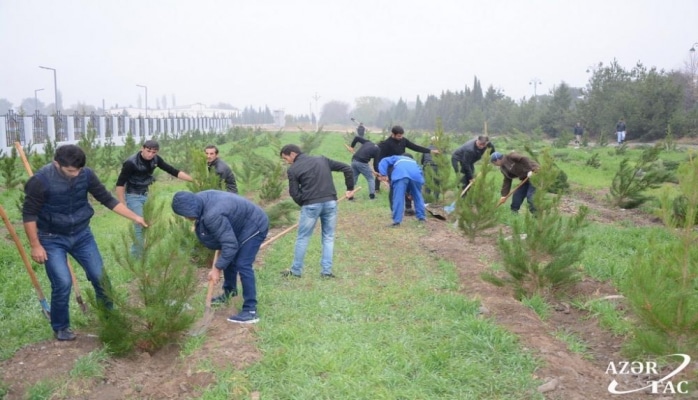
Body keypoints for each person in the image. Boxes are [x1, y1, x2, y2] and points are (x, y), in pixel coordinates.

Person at [22, 145, 148, 341]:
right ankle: (61, 327)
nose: (76, 174)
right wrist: (35, 245)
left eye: (79, 169)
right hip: (51, 237)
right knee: (62, 282)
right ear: (57, 164)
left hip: (82, 234)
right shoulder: (40, 181)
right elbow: (29, 215)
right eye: (72, 171)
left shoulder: (86, 175)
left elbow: (107, 199)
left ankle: (109, 317)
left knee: (100, 276)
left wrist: (135, 217)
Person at [171, 190, 268, 324]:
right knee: (228, 258)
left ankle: (250, 311)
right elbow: (226, 243)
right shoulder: (199, 201)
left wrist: (216, 269)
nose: (186, 218)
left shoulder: (212, 215)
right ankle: (229, 292)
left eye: (186, 215)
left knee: (243, 264)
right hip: (239, 223)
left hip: (254, 225)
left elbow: (230, 245)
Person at [279, 144, 355, 278]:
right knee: (328, 237)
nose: (287, 162)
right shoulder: (322, 159)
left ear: (292, 154)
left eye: (286, 159)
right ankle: (326, 272)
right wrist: (350, 188)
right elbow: (347, 168)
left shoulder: (293, 169)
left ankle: (296, 271)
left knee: (303, 238)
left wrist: (304, 202)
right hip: (330, 203)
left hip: (310, 206)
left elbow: (294, 192)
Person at [116, 140, 193, 256]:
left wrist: (193, 180)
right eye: (148, 151)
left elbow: (173, 171)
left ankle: (143, 253)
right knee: (139, 226)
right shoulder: (131, 162)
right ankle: (137, 258)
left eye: (154, 152)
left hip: (147, 194)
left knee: (148, 225)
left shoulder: (156, 159)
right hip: (133, 195)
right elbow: (120, 184)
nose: (150, 155)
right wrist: (122, 204)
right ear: (142, 148)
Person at [377, 125, 439, 214]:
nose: (401, 137)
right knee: (394, 188)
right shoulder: (386, 144)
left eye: (401, 135)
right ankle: (394, 209)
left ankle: (408, 208)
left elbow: (415, 147)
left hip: (403, 166)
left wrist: (430, 151)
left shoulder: (403, 140)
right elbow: (381, 159)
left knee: (408, 185)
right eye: (399, 136)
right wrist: (382, 173)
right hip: (392, 168)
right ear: (393, 134)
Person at [378, 154, 426, 226]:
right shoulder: (414, 162)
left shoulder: (397, 158)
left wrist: (383, 174)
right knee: (418, 197)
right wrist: (412, 194)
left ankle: (397, 221)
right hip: (416, 176)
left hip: (401, 174)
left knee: (398, 197)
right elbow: (421, 175)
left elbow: (384, 160)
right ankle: (421, 218)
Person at [348, 136, 380, 200]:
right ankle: (372, 197)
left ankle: (350, 197)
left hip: (354, 161)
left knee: (353, 179)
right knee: (370, 179)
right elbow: (375, 164)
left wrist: (352, 146)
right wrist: (377, 172)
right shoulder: (378, 150)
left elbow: (356, 137)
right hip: (362, 163)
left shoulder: (368, 142)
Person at [420, 136, 440, 200]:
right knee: (436, 183)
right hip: (436, 166)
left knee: (427, 183)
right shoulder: (439, 149)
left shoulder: (426, 148)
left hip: (427, 166)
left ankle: (426, 199)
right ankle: (435, 199)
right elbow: (443, 161)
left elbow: (422, 161)